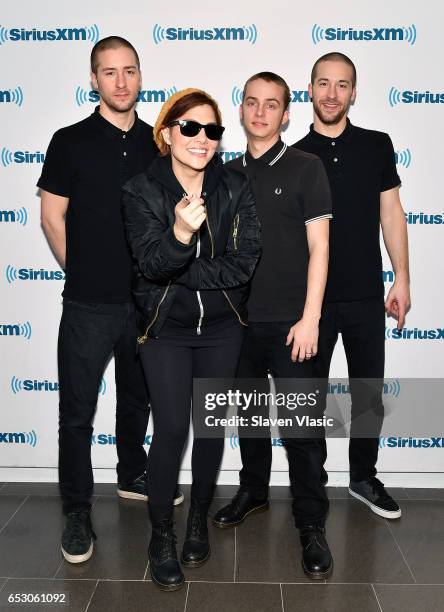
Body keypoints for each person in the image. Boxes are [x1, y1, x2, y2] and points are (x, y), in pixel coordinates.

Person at [38, 36, 182, 565]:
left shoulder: (159, 144)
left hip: (147, 302)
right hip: (87, 304)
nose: (121, 82)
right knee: (76, 413)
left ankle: (131, 472)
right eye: (109, 73)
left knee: (138, 397)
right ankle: (77, 510)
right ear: (93, 79)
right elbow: (52, 216)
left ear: (141, 76)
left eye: (129, 71)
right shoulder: (68, 141)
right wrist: (81, 272)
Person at [122, 88, 261, 591]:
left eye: (212, 130)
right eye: (190, 127)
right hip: (166, 331)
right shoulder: (140, 190)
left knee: (208, 429)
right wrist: (180, 235)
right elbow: (152, 266)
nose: (202, 138)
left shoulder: (235, 185)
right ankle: (161, 534)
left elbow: (245, 264)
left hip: (223, 328)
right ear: (166, 134)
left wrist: (184, 270)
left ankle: (197, 519)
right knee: (173, 429)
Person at [213, 73, 333, 579]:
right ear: (240, 111)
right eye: (251, 103)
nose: (260, 112)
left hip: (292, 325)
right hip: (237, 324)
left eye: (272, 105)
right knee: (251, 420)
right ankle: (254, 492)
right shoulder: (224, 173)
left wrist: (310, 319)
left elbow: (319, 247)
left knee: (302, 430)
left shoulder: (307, 167)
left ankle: (311, 523)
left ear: (286, 114)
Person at [293, 52, 411, 519]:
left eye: (342, 85)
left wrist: (401, 276)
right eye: (323, 83)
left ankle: (363, 477)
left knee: (367, 394)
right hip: (312, 303)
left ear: (354, 92)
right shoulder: (294, 154)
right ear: (310, 89)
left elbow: (391, 213)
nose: (331, 93)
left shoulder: (377, 145)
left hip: (365, 295)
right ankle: (313, 483)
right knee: (311, 398)